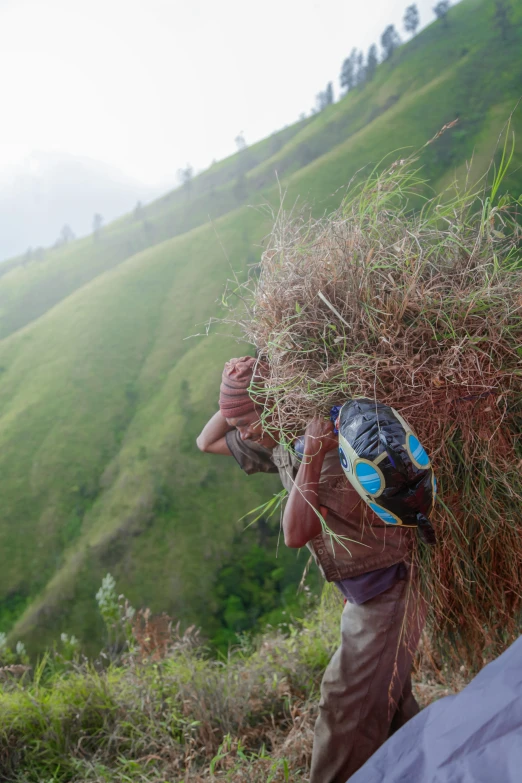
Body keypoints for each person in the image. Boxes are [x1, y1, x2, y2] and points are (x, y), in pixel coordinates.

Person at [197, 356, 425, 783]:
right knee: (390, 704)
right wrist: (238, 386)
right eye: (239, 423)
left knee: (344, 707)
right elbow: (205, 442)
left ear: (275, 409)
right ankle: (425, 768)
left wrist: (315, 455)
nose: (242, 433)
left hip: (389, 593)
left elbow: (295, 532)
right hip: (362, 594)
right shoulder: (281, 440)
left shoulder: (339, 446)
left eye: (247, 422)